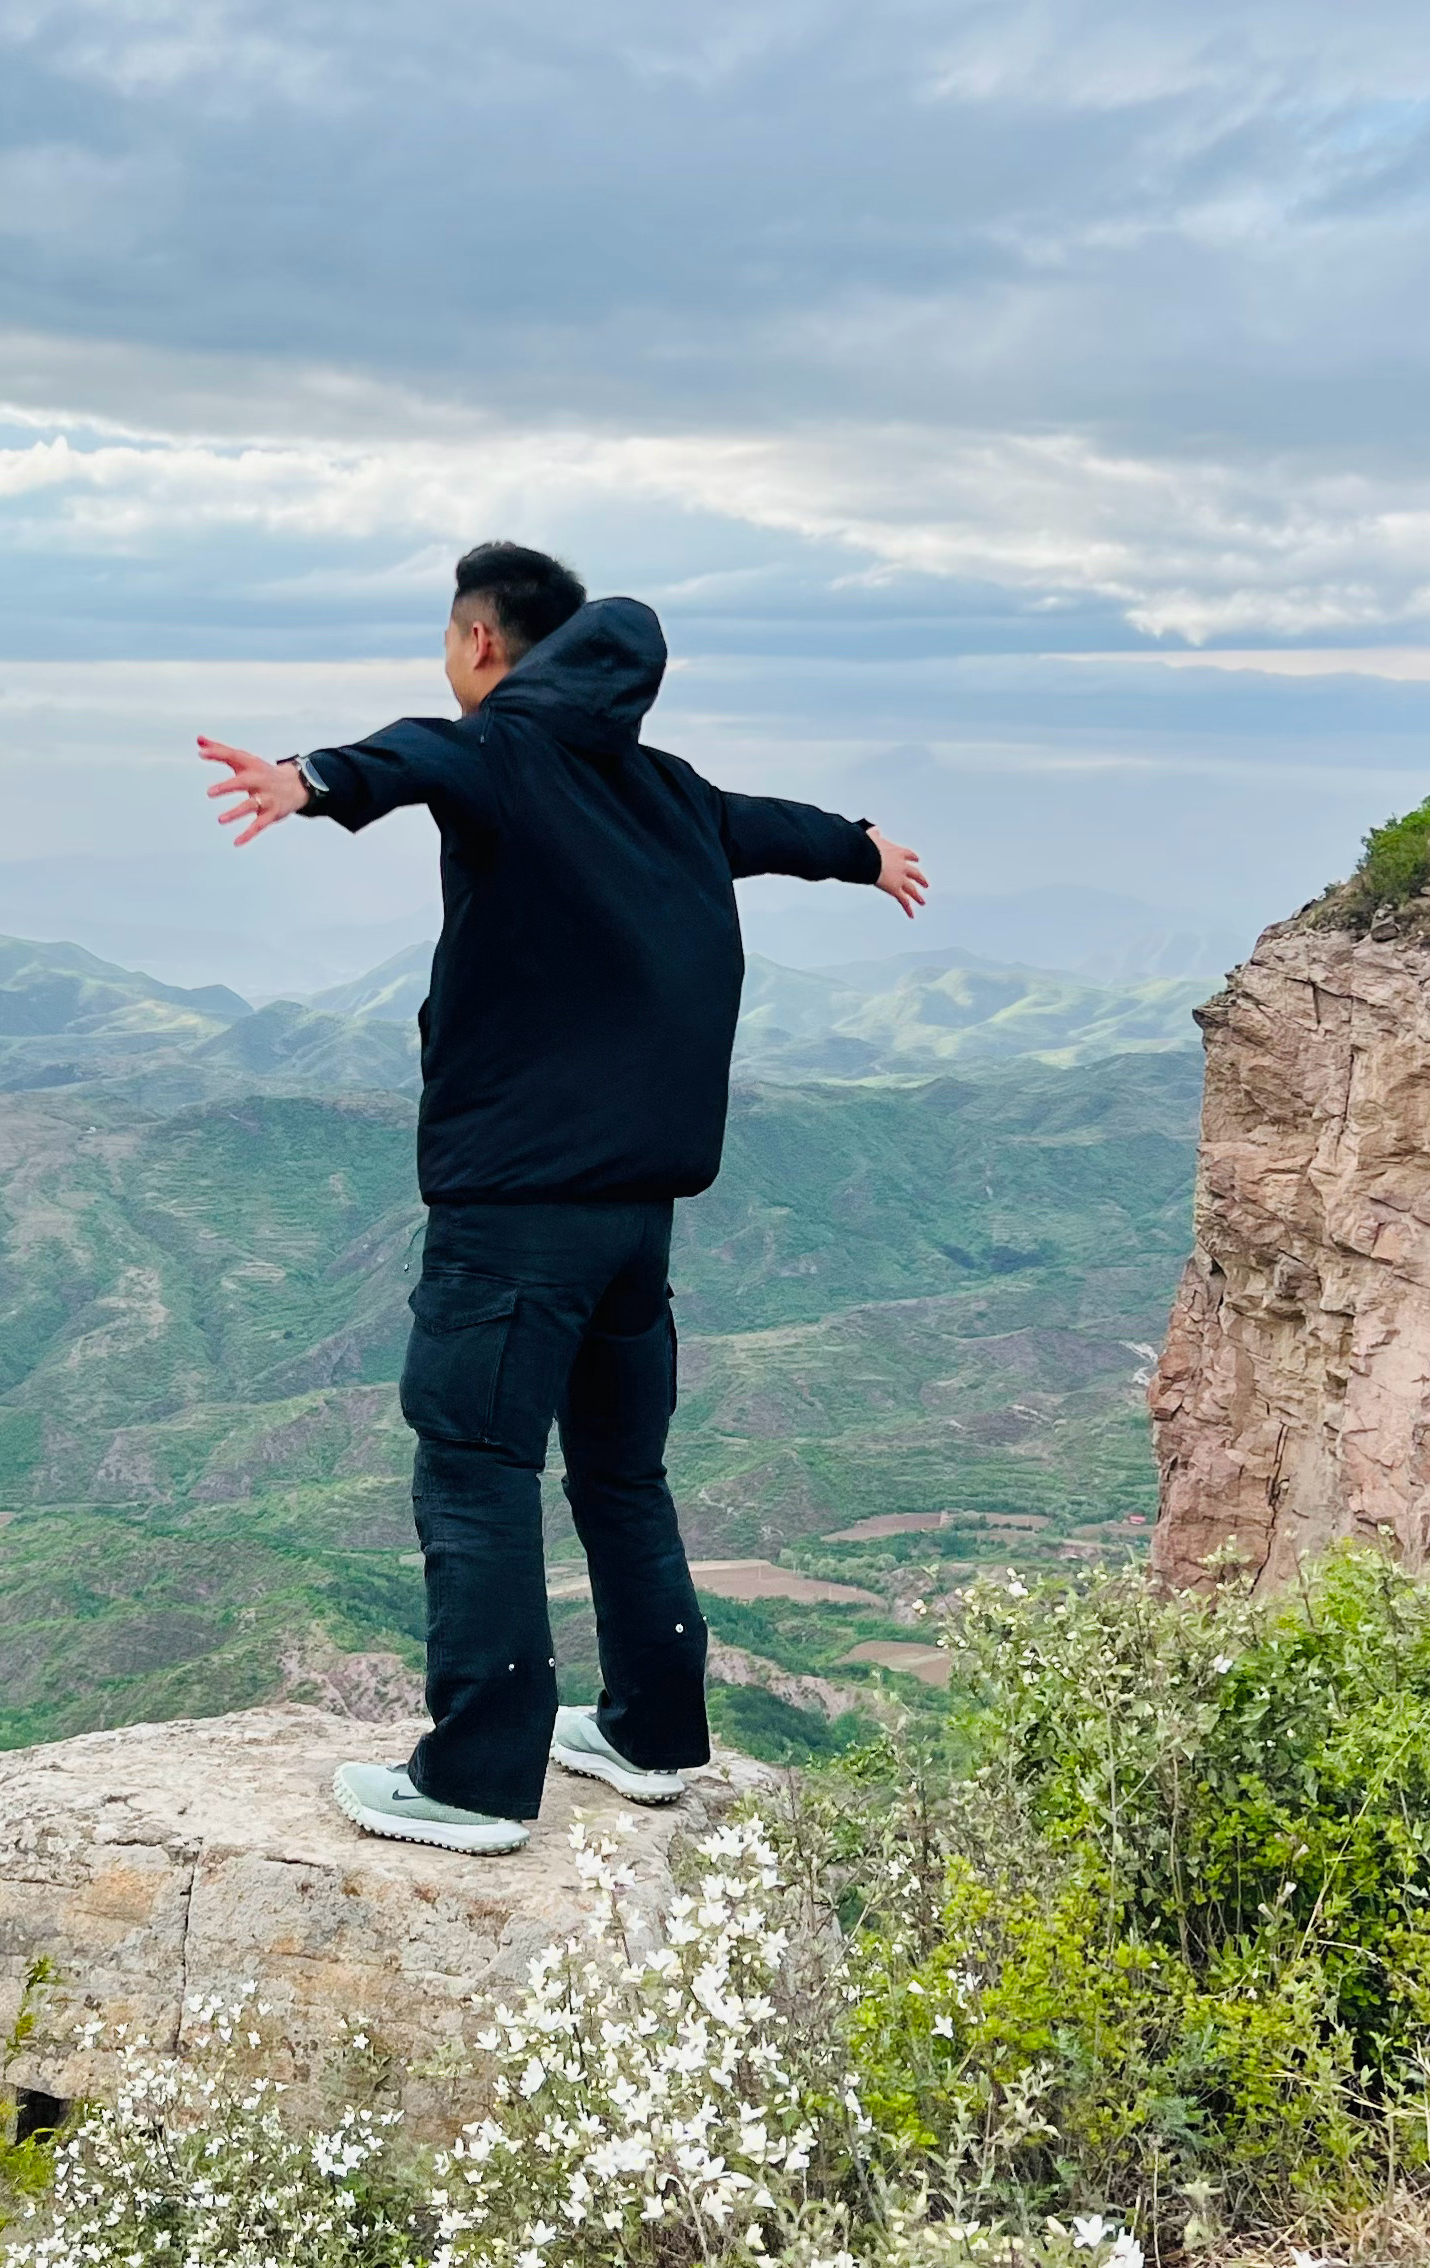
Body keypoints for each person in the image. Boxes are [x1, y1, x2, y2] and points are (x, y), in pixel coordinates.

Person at [196, 542, 925, 1854]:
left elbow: (417, 757)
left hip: (516, 1213)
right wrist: (865, 851)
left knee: (476, 1472)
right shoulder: (668, 791)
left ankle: (476, 1781)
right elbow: (772, 826)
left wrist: (311, 781)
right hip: (637, 1220)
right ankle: (650, 1730)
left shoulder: (503, 754)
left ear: (483, 645)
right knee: (621, 1474)